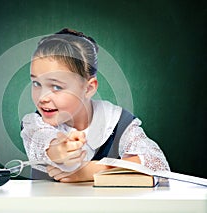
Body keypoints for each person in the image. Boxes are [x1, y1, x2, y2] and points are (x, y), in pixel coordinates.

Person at [20, 28, 170, 182]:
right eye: (36, 83)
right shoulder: (35, 124)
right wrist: (61, 150)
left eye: (56, 87)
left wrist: (90, 170)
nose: (42, 98)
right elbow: (48, 144)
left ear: (89, 88)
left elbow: (158, 165)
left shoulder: (116, 122)